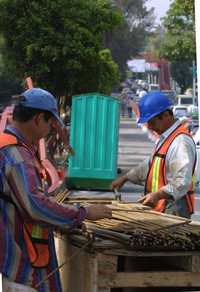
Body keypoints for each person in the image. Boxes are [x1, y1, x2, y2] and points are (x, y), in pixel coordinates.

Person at [0, 88, 112, 291]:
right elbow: (36, 207)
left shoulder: (9, 146)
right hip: (19, 265)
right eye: (50, 123)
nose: (51, 129)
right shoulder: (17, 156)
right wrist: (84, 212)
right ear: (38, 119)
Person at [111, 91, 196, 218]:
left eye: (152, 122)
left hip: (174, 208)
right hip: (163, 205)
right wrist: (126, 178)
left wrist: (157, 195)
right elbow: (151, 164)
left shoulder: (180, 142)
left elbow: (181, 182)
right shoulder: (165, 138)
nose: (150, 127)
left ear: (166, 115)